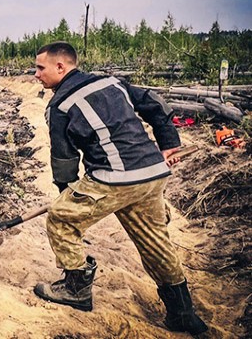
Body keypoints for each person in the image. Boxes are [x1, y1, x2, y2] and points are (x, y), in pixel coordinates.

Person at [32, 42, 208, 335]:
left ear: (60, 67)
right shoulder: (112, 81)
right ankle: (183, 313)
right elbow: (156, 104)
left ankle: (76, 290)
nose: (36, 74)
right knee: (155, 243)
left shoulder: (60, 105)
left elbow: (64, 160)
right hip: (153, 173)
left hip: (114, 179)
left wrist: (67, 195)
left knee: (61, 218)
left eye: (40, 68)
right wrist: (168, 143)